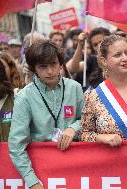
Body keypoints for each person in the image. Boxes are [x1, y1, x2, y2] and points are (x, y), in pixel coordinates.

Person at [9, 41, 84, 189]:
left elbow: (86, 120)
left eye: (54, 64)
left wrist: (73, 128)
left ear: (60, 64)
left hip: (74, 163)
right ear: (33, 68)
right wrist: (32, 181)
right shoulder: (24, 97)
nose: (50, 71)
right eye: (43, 66)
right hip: (41, 166)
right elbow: (16, 145)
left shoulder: (74, 87)